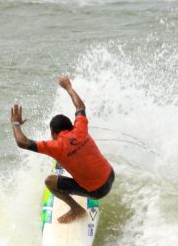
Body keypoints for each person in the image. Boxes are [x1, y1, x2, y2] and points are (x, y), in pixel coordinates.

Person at [10, 76, 115, 224]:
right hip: (110, 175)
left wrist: (15, 123)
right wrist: (68, 87)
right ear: (70, 126)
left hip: (98, 191)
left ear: (53, 132)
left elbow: (22, 142)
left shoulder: (56, 147)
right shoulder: (80, 128)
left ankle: (76, 210)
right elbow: (80, 107)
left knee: (49, 181)